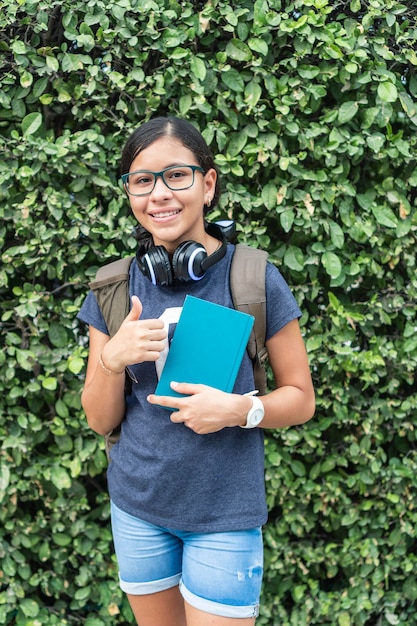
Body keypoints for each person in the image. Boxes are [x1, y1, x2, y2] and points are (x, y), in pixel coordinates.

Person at [78, 116, 315, 626]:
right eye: (142, 181)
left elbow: (301, 398)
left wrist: (239, 410)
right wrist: (111, 359)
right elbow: (100, 420)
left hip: (224, 516)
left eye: (176, 176)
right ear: (129, 194)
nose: (159, 194)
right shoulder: (114, 287)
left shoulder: (254, 278)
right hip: (138, 508)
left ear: (208, 184)